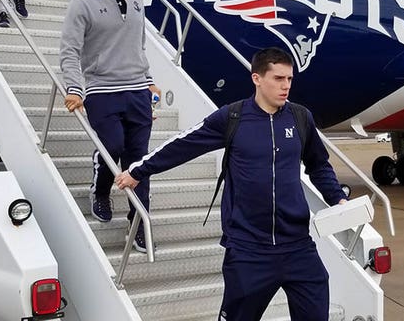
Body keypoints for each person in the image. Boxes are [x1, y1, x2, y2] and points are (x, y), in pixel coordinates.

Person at [114, 47, 348, 321]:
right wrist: (139, 170)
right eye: (278, 79)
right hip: (249, 250)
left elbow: (318, 164)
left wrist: (337, 198)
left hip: (298, 246)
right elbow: (184, 144)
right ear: (257, 78)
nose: (286, 86)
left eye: (289, 79)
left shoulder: (299, 118)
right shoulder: (233, 117)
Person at [59, 0, 160, 251]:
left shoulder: (137, 1)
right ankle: (100, 191)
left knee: (139, 161)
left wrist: (149, 82)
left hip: (137, 91)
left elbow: (138, 47)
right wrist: (75, 88)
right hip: (101, 89)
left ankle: (139, 224)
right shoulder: (83, 2)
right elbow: (69, 51)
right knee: (112, 146)